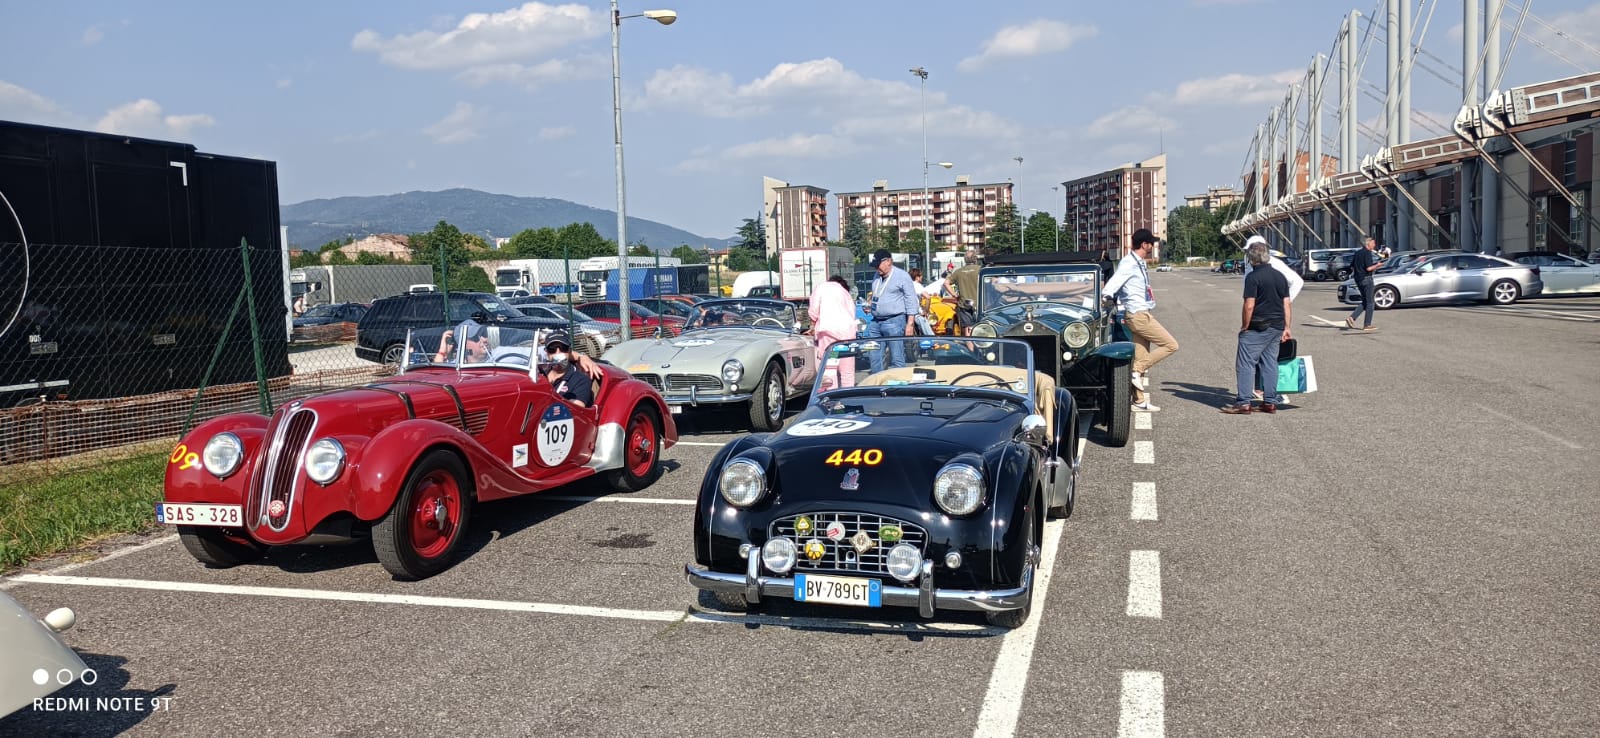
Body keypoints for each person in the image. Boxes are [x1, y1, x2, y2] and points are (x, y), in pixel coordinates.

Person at [1102, 228, 1179, 412]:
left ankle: (1138, 400)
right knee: (1171, 345)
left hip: (1142, 312)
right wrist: (1106, 296)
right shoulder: (1128, 263)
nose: (1153, 246)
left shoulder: (1139, 263)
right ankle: (1135, 371)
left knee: (1142, 354)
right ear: (1144, 244)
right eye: (1151, 243)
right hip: (1138, 315)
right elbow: (1113, 283)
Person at [1221, 242, 1292, 414]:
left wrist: (1245, 326)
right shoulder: (1279, 276)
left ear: (1251, 258)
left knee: (1246, 363)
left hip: (1258, 326)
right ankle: (1270, 402)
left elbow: (1249, 305)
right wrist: (1287, 327)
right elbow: (1286, 304)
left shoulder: (1253, 277)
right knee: (1270, 363)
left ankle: (1244, 402)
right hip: (1277, 326)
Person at [1242, 235, 1304, 402]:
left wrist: (1282, 303)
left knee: (1257, 356)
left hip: (1265, 317)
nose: (1247, 254)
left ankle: (1263, 393)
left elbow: (1297, 282)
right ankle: (1263, 392)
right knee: (1263, 356)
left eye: (1250, 250)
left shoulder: (1275, 265)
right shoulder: (1251, 265)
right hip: (1262, 315)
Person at [864, 248, 918, 371]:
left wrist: (910, 324)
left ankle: (898, 386)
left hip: (894, 321)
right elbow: (878, 294)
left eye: (878, 265)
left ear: (888, 261)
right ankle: (876, 384)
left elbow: (911, 300)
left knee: (897, 357)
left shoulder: (902, 276)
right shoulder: (877, 275)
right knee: (874, 355)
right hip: (876, 321)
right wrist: (871, 305)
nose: (876, 268)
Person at [808, 275, 858, 390]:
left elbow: (813, 311)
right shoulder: (846, 293)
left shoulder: (821, 288)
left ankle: (832, 397)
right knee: (847, 370)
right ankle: (848, 396)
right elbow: (852, 312)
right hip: (847, 335)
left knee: (830, 368)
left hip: (829, 335)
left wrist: (813, 324)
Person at [541, 332, 594, 408]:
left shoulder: (581, 380)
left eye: (563, 348)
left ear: (569, 351)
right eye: (552, 349)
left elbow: (576, 408)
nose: (558, 353)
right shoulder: (540, 373)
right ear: (546, 352)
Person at [1345, 236, 1382, 331]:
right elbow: (1369, 268)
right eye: (1373, 243)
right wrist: (1377, 265)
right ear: (1368, 243)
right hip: (1366, 278)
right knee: (1370, 302)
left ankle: (1352, 318)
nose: (1374, 245)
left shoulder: (1358, 253)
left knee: (1365, 301)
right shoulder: (1367, 253)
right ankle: (1367, 324)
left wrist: (1358, 272)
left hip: (1358, 279)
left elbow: (1352, 267)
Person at [946, 249, 983, 335]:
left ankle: (970, 348)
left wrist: (954, 295)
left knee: (967, 330)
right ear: (975, 259)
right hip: (980, 304)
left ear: (965, 259)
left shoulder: (958, 272)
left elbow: (946, 283)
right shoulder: (981, 270)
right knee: (982, 328)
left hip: (964, 305)